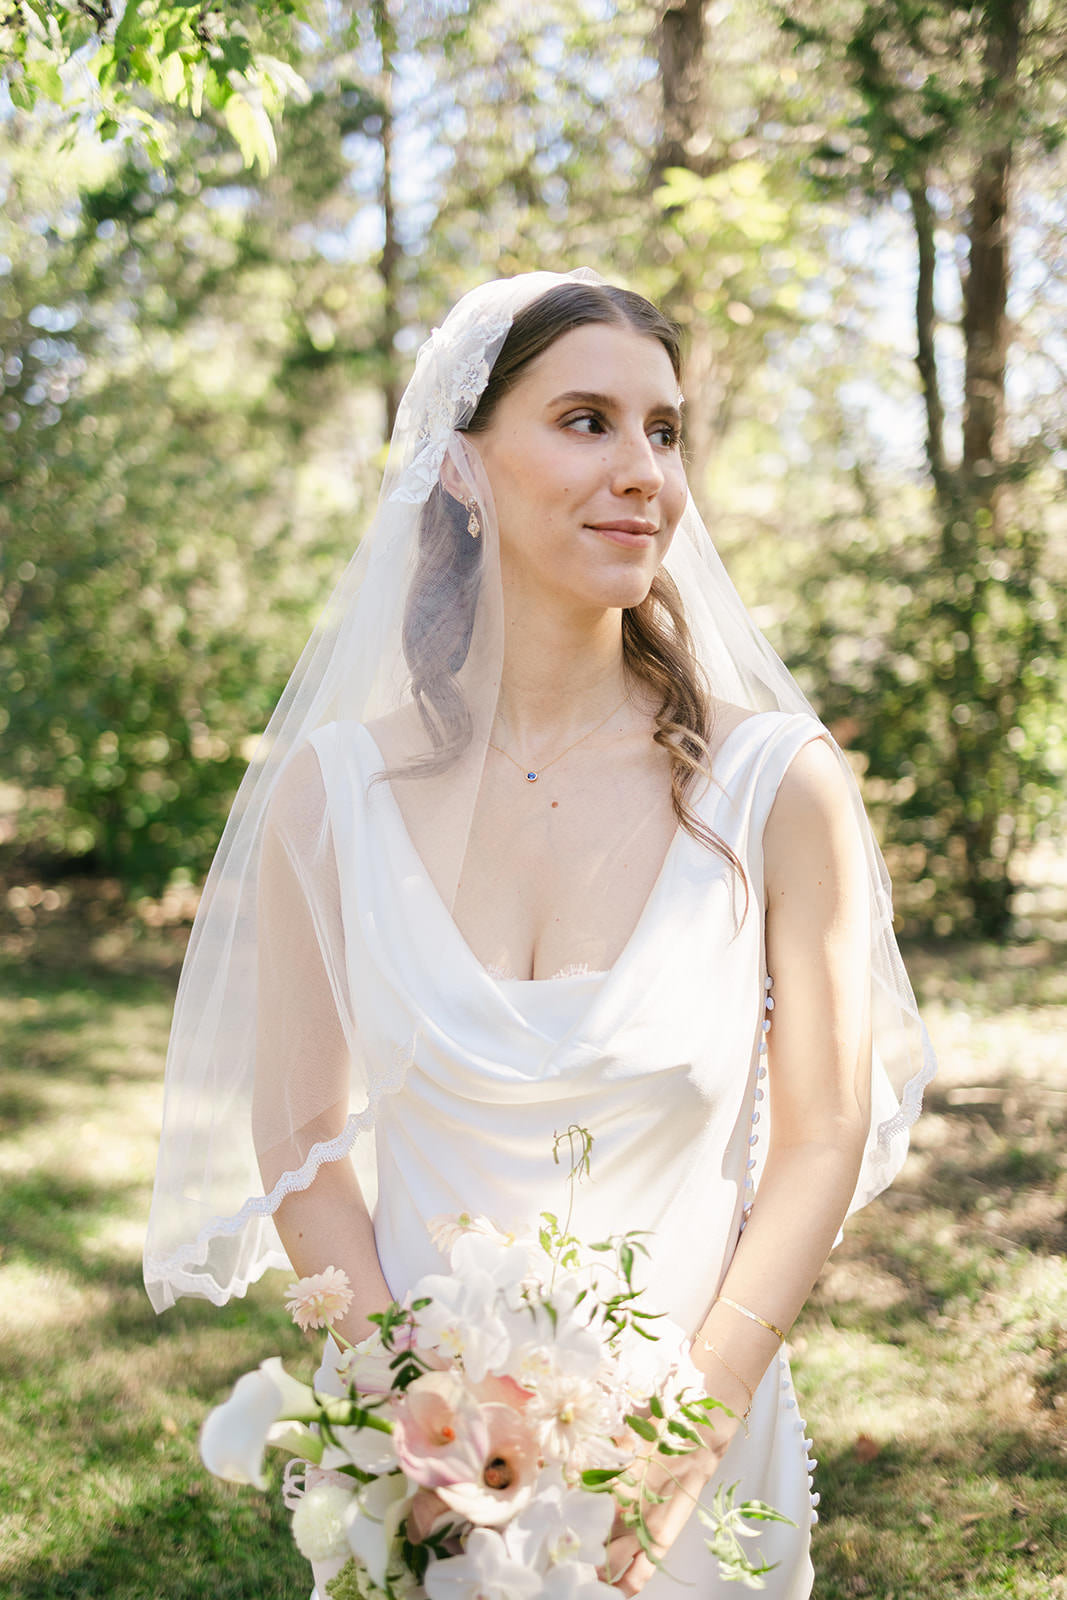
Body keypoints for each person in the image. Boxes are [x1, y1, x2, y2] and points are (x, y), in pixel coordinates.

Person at [144, 269, 935, 1598]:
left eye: (665, 430)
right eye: (586, 421)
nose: (645, 473)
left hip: (692, 1450)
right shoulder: (331, 798)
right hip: (443, 1469)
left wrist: (701, 1417)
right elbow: (297, 1138)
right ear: (460, 465)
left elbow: (819, 1133)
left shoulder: (776, 786)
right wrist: (417, 1411)